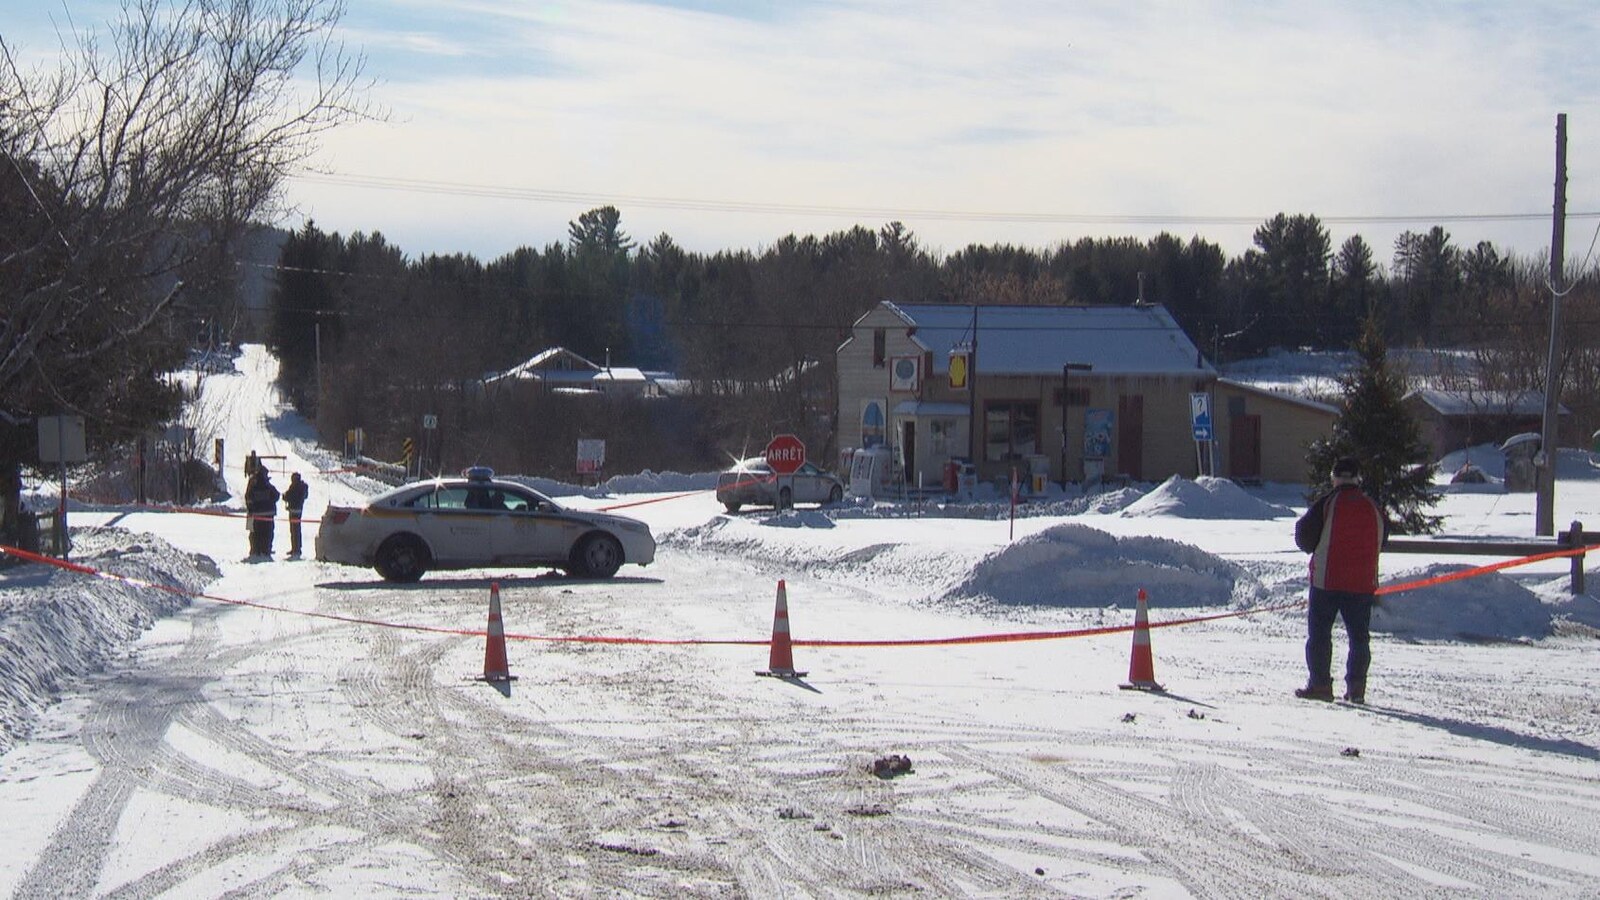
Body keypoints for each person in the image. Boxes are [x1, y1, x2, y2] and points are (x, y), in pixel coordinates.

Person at [1293, 456, 1386, 703]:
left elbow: (1303, 537)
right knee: (1359, 637)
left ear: (1334, 478)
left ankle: (1320, 684)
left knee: (1320, 635)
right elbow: (1382, 540)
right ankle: (1356, 687)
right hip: (1362, 584)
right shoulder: (1372, 507)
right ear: (1358, 478)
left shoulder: (1327, 503)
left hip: (1327, 581)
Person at [245, 469, 280, 558]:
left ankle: (255, 550)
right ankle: (265, 550)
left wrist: (250, 510)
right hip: (268, 515)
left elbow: (248, 497)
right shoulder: (268, 486)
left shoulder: (252, 485)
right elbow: (276, 496)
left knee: (254, 533)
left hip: (254, 515)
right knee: (267, 533)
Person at [282, 472, 309, 558]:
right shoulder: (302, 487)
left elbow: (289, 496)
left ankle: (296, 548)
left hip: (294, 510)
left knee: (294, 530)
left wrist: (285, 496)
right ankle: (296, 547)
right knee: (296, 530)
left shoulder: (295, 487)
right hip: (298, 510)